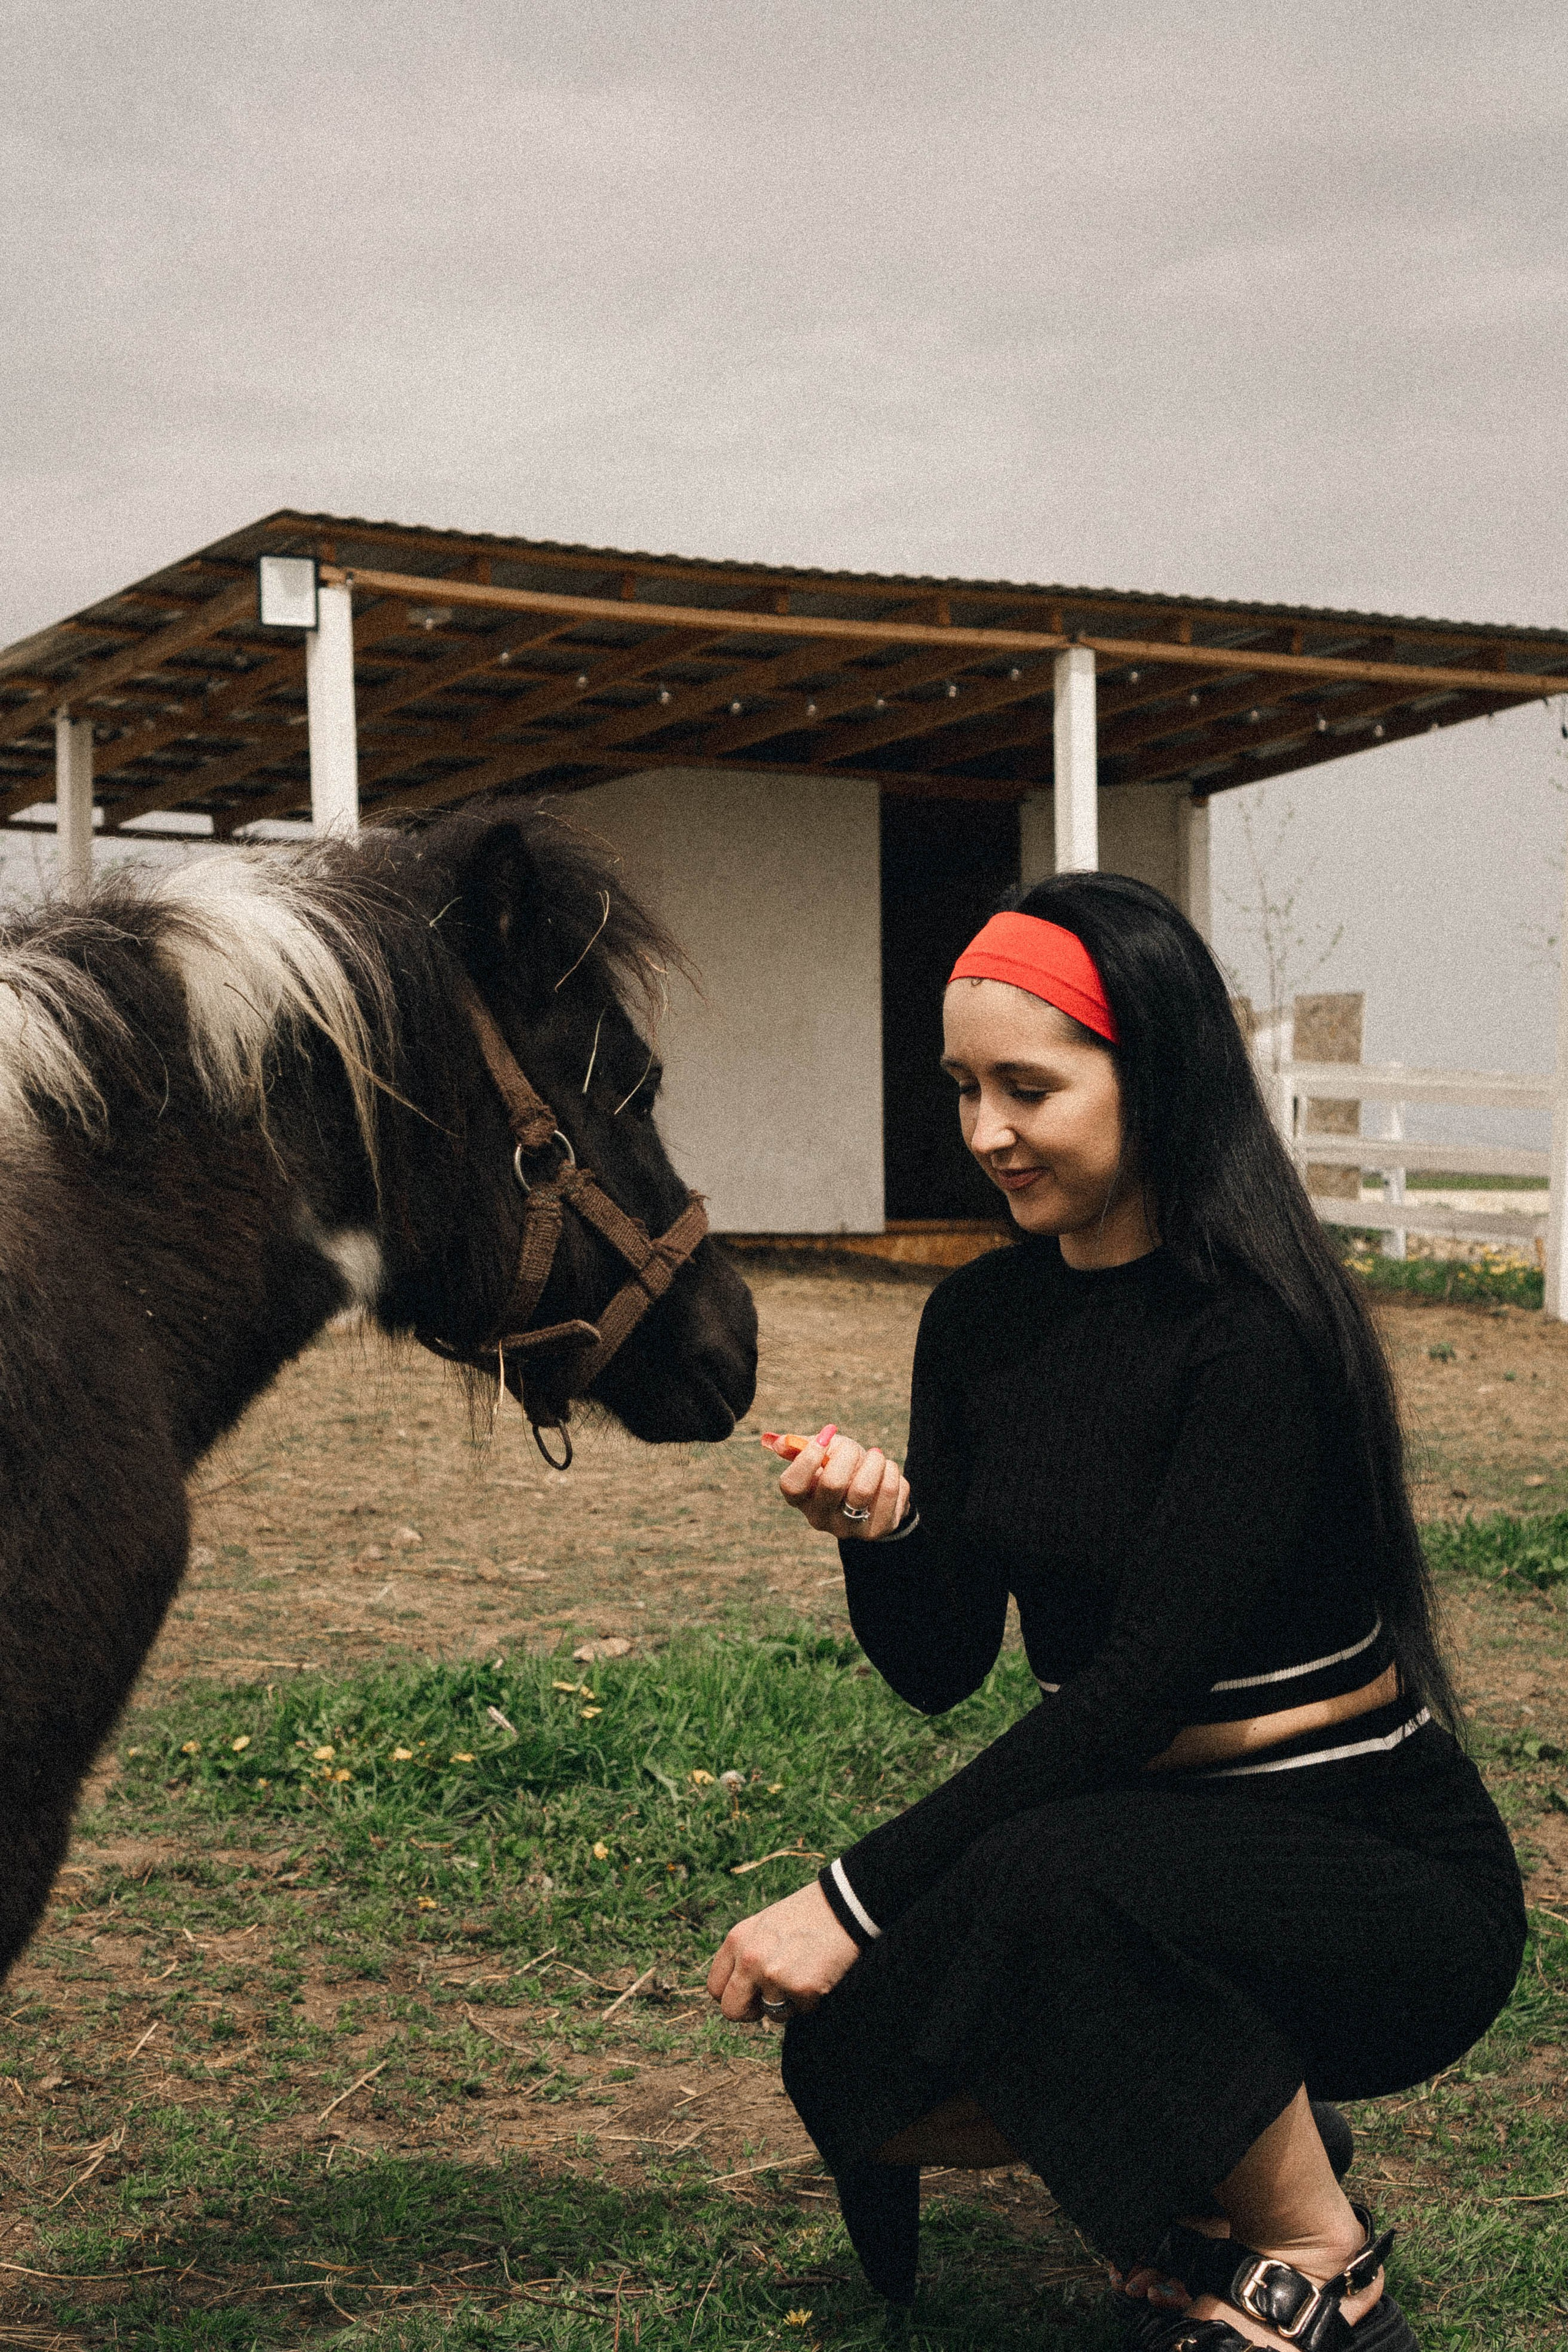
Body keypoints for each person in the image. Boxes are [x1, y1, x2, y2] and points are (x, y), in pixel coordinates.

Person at [706, 873, 1525, 2352]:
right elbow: (944, 1666)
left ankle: (1318, 2264)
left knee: (1048, 1877)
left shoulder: (1254, 1332)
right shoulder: (977, 1323)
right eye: (962, 1088)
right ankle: (1220, 2146)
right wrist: (888, 1534)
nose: (984, 1133)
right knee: (848, 2066)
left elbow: (1133, 1689)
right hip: (1134, 1859)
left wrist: (846, 1900)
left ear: (1151, 1071)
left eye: (1027, 1088)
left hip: (1370, 1872)